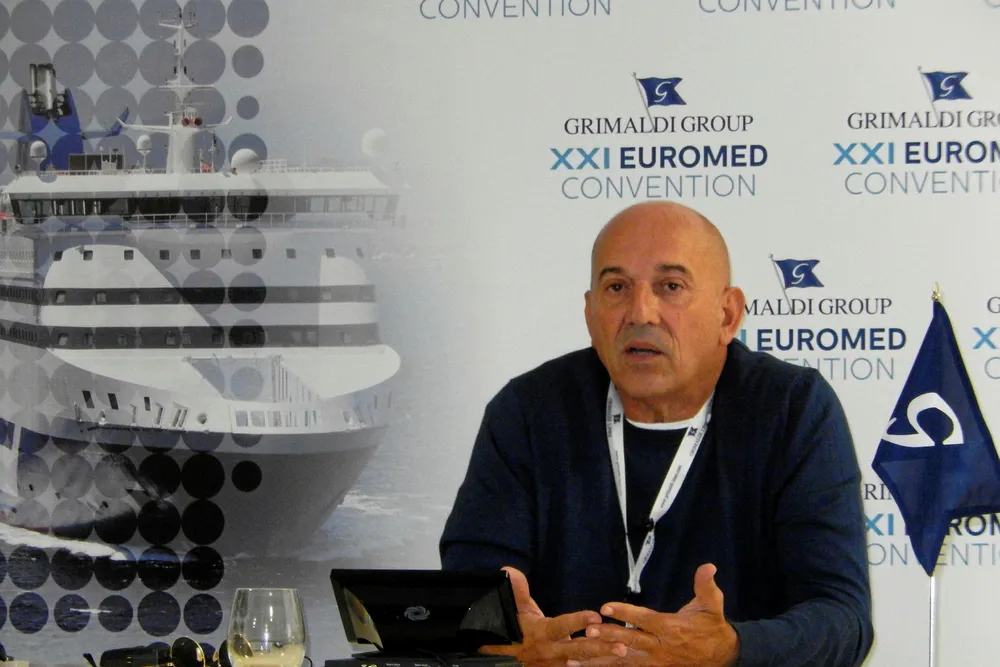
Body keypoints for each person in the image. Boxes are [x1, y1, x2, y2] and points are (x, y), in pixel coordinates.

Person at [439, 201, 873, 667]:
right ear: (590, 314)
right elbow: (470, 596)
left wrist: (730, 650)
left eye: (671, 287)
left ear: (727, 315)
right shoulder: (528, 411)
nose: (640, 312)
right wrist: (502, 633)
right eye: (617, 288)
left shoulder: (791, 408)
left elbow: (842, 619)